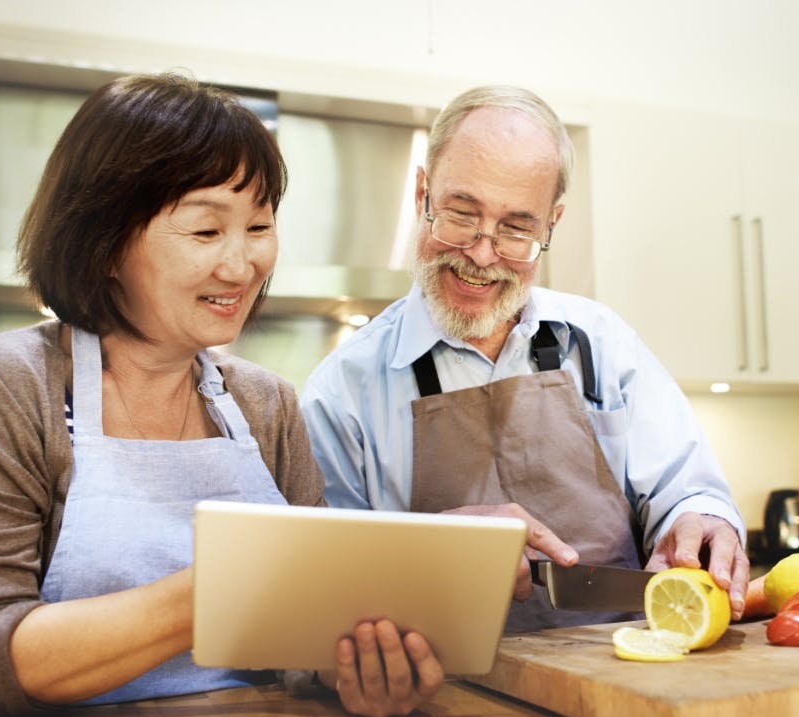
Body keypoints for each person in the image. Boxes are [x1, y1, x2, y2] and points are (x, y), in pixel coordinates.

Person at [0, 73, 441, 717]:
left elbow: (301, 648)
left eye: (259, 226)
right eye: (205, 232)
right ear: (105, 242)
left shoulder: (265, 405)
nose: (241, 266)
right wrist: (219, 589)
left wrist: (353, 668)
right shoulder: (1, 385)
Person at [300, 85, 750, 632]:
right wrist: (424, 554)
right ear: (422, 193)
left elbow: (687, 489)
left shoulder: (602, 343)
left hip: (625, 678)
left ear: (551, 225)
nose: (482, 254)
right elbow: (323, 593)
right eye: (461, 214)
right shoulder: (341, 393)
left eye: (516, 228)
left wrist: (699, 520)